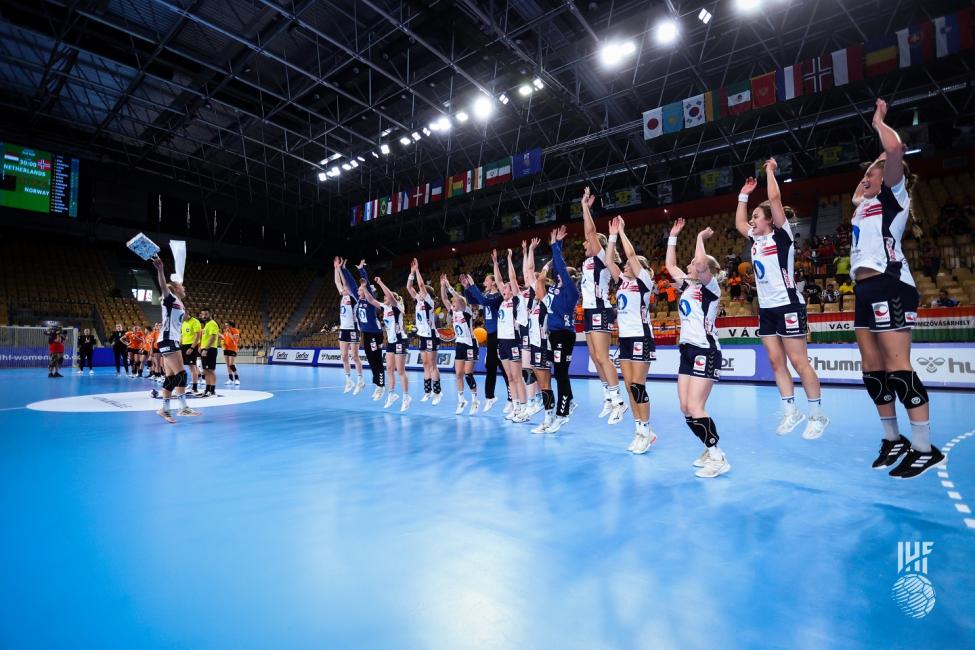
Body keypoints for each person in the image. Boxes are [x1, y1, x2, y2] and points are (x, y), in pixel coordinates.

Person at [851, 99, 942, 479]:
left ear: (885, 178)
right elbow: (857, 195)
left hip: (891, 284)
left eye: (870, 175)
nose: (864, 180)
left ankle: (924, 448)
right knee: (873, 372)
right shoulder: (862, 205)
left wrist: (879, 123)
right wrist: (865, 182)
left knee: (898, 370)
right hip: (864, 290)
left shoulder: (894, 197)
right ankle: (893, 439)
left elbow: (894, 150)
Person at [736, 158, 829, 440]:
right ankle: (791, 412)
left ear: (769, 220)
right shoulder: (755, 239)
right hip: (766, 309)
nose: (752, 220)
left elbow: (774, 197)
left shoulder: (781, 237)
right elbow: (739, 222)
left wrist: (769, 172)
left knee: (800, 363)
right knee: (777, 363)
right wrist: (743, 195)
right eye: (753, 217)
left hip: (788, 304)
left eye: (757, 216)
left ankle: (817, 415)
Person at [666, 219, 730, 478]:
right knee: (685, 407)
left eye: (692, 263)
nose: (690, 265)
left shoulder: (710, 289)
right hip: (687, 351)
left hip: (706, 350)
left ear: (706, 271)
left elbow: (702, 263)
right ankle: (708, 446)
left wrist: (700, 239)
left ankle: (718, 456)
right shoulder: (688, 286)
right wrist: (672, 236)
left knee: (696, 407)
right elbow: (670, 265)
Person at [606, 217, 658, 454]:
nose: (626, 266)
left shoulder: (643, 281)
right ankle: (640, 429)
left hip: (641, 337)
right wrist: (613, 236)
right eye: (625, 265)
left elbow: (631, 255)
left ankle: (646, 430)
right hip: (625, 338)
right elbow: (608, 260)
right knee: (629, 387)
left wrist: (623, 233)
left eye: (629, 264)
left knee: (638, 386)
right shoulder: (623, 282)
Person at [580, 187, 627, 424]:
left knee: (603, 356)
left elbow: (590, 231)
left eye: (588, 242)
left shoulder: (600, 257)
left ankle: (619, 402)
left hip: (600, 309)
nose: (584, 244)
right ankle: (609, 396)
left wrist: (585, 207)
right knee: (594, 357)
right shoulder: (588, 261)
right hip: (589, 311)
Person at [537, 225, 579, 434]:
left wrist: (555, 246)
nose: (557, 277)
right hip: (554, 335)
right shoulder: (556, 288)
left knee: (560, 374)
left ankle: (562, 415)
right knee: (559, 373)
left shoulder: (571, 291)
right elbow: (557, 269)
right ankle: (568, 402)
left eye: (561, 276)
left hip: (564, 334)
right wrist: (558, 244)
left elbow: (560, 268)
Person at [150, 254, 200, 422]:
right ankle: (183, 408)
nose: (185, 288)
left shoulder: (180, 302)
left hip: (171, 340)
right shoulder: (170, 298)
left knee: (171, 377)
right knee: (181, 374)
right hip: (167, 339)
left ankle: (165, 409)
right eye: (183, 287)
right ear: (176, 289)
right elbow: (163, 287)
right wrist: (161, 270)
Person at [463, 265, 510, 413]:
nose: (484, 282)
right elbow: (472, 300)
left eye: (486, 280)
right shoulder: (486, 294)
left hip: (500, 335)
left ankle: (512, 398)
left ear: (493, 283)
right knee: (490, 366)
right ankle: (490, 397)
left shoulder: (498, 296)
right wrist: (466, 287)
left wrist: (472, 285)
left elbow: (484, 302)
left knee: (504, 368)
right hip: (490, 335)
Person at [493, 249, 529, 422]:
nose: (503, 289)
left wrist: (508, 258)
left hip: (514, 341)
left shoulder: (517, 300)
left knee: (517, 377)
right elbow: (499, 280)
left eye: (506, 288)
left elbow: (511, 279)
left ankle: (523, 408)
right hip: (503, 342)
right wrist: (494, 262)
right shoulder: (503, 302)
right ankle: (515, 407)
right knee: (509, 377)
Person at [368, 276, 410, 411]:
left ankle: (406, 397)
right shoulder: (385, 308)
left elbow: (390, 297)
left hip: (399, 340)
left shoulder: (396, 307)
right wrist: (364, 287)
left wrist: (380, 282)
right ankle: (391, 394)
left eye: (386, 298)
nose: (384, 300)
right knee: (389, 369)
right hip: (391, 342)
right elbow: (371, 300)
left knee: (400, 370)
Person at [346, 260, 385, 400]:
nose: (358, 290)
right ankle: (377, 385)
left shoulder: (370, 300)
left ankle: (381, 386)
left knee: (377, 360)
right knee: (370, 359)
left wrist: (362, 270)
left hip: (375, 333)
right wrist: (344, 269)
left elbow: (366, 284)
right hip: (366, 334)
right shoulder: (358, 299)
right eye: (358, 290)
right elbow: (351, 284)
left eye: (360, 289)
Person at [406, 258, 442, 405]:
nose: (419, 292)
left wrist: (418, 269)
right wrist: (412, 272)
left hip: (431, 336)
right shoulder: (418, 301)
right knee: (425, 364)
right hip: (422, 336)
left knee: (432, 364)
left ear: (426, 294)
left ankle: (437, 392)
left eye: (422, 292)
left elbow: (420, 285)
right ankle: (427, 392)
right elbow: (409, 287)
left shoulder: (429, 302)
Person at [443, 274, 480, 415]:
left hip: (471, 344)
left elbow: (456, 298)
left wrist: (448, 283)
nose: (453, 304)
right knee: (458, 373)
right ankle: (461, 400)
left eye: (455, 303)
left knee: (468, 374)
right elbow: (445, 299)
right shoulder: (454, 312)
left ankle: (475, 399)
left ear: (461, 303)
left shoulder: (467, 311)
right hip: (460, 344)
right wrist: (442, 285)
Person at [517, 239, 543, 416]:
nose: (526, 277)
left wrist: (530, 250)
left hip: (537, 331)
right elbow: (525, 272)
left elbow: (529, 270)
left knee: (535, 367)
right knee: (527, 368)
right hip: (525, 331)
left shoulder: (535, 289)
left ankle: (536, 399)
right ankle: (534, 400)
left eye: (529, 277)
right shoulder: (524, 292)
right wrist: (525, 250)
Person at [528, 262, 555, 433]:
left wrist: (545, 267)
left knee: (545, 384)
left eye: (538, 288)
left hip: (544, 346)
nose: (534, 291)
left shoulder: (547, 301)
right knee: (542, 383)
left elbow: (538, 282)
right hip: (535, 346)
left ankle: (549, 418)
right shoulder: (536, 305)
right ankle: (548, 415)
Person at [333, 257, 364, 394]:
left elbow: (344, 282)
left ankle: (360, 380)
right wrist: (335, 268)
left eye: (345, 288)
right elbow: (337, 281)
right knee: (344, 356)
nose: (343, 288)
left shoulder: (353, 297)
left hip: (353, 328)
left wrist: (340, 269)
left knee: (355, 356)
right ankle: (348, 380)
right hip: (343, 329)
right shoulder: (343, 296)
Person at [198, 308, 220, 397]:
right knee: (206, 370)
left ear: (210, 314)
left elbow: (213, 338)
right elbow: (205, 338)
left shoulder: (212, 324)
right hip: (205, 349)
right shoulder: (206, 325)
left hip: (210, 349)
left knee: (211, 370)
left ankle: (213, 391)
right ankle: (207, 389)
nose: (204, 316)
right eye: (203, 314)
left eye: (206, 314)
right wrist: (201, 347)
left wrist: (206, 349)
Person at [181, 310, 203, 395]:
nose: (181, 317)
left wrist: (192, 348)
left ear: (187, 313)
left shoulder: (195, 321)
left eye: (183, 315)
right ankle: (185, 385)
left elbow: (198, 336)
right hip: (184, 346)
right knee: (187, 367)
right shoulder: (183, 323)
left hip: (191, 346)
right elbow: (182, 336)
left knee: (192, 367)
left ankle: (195, 388)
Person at [223, 321, 241, 385]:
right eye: (225, 325)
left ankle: (237, 378)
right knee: (227, 365)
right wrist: (220, 336)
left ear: (231, 325)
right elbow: (225, 339)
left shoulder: (235, 330)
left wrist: (229, 332)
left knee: (231, 364)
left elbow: (234, 339)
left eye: (227, 325)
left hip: (232, 348)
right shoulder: (225, 332)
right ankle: (230, 379)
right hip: (226, 349)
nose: (226, 326)